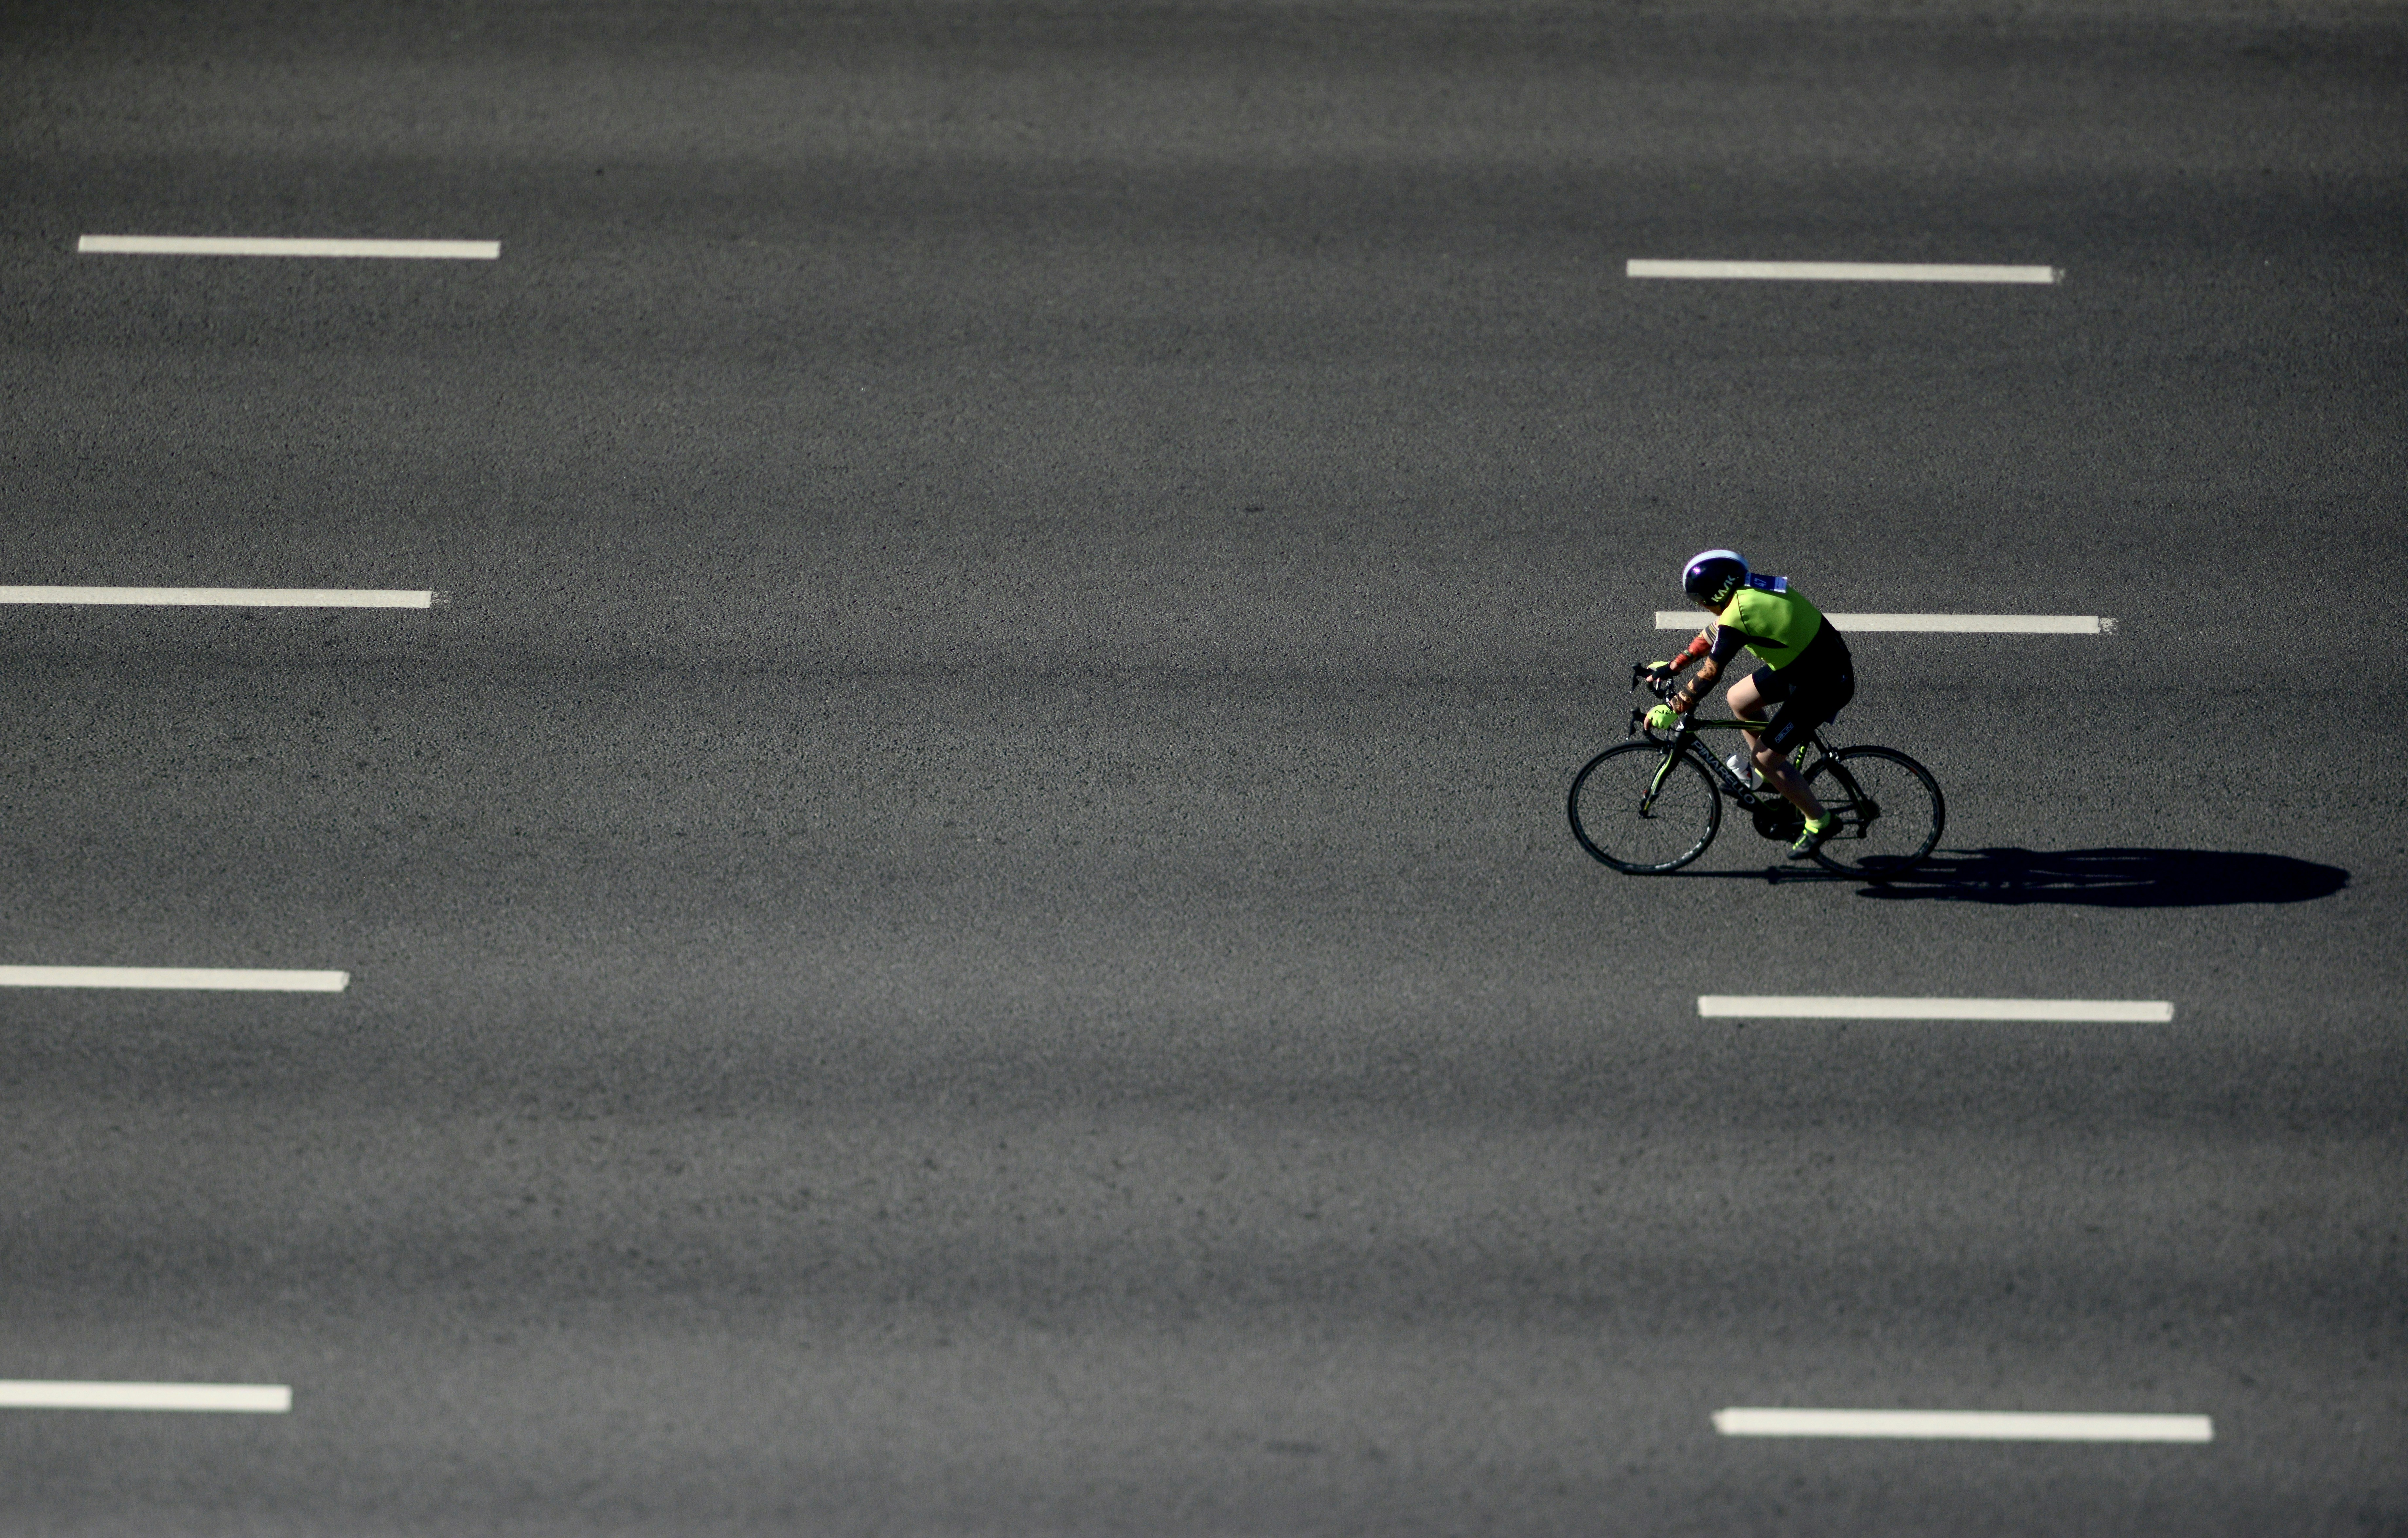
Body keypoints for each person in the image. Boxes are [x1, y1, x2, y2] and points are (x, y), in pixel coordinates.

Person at [1643, 549, 1855, 859]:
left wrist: (1674, 706)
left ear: (1711, 596)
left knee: (1766, 758)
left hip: (1823, 684)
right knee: (1738, 698)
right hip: (1806, 665)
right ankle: (1770, 780)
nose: (1703, 607)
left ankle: (1819, 821)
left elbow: (1711, 672)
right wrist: (1673, 668)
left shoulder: (1740, 613)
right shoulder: (1748, 589)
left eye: (1700, 601)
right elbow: (1714, 635)